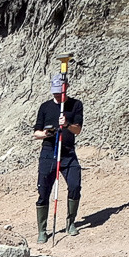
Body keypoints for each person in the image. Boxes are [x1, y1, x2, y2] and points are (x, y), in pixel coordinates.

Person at [33, 74, 84, 241]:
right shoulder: (45, 107)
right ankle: (42, 230)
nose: (56, 95)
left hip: (68, 153)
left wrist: (67, 124)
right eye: (54, 92)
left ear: (66, 88)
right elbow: (36, 133)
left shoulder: (76, 105)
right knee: (43, 191)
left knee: (75, 185)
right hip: (49, 153)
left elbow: (78, 130)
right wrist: (46, 134)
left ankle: (70, 223)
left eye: (59, 92)